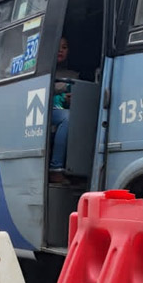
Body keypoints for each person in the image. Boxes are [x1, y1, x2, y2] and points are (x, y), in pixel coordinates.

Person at [49, 37, 82, 184]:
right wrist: (64, 87)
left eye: (65, 47)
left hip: (62, 112)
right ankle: (55, 169)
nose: (61, 49)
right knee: (67, 118)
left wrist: (72, 101)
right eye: (57, 45)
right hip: (46, 113)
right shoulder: (43, 71)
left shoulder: (73, 76)